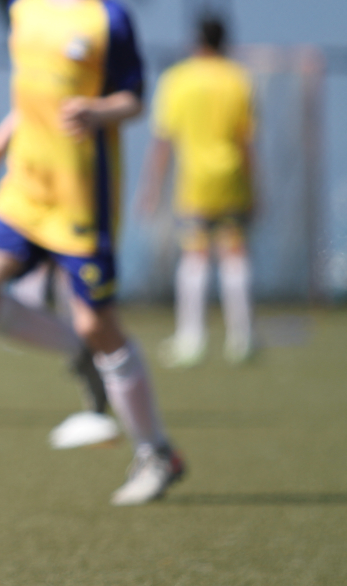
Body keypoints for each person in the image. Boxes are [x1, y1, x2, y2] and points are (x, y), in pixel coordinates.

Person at [0, 0, 185, 505]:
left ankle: (157, 453)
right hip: (23, 190)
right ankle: (80, 354)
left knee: (101, 326)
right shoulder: (22, 9)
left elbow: (134, 98)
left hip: (80, 197)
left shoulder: (108, 19)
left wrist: (100, 111)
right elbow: (35, 95)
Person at [137, 15, 256, 367]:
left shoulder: (178, 79)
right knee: (234, 254)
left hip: (194, 184)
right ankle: (242, 338)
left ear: (195, 40)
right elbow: (246, 141)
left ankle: (192, 338)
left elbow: (163, 142)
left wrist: (151, 188)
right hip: (232, 179)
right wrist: (254, 185)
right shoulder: (239, 79)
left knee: (195, 257)